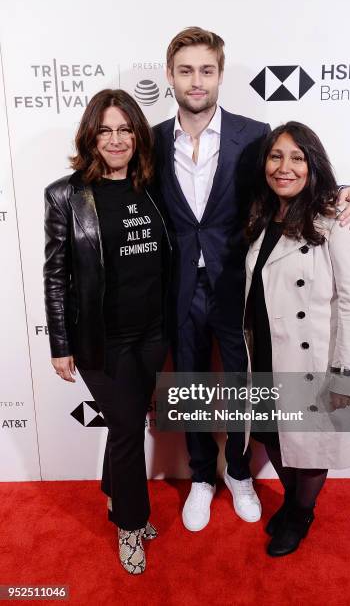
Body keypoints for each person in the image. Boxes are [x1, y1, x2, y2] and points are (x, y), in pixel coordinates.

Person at [154, 26, 350, 532]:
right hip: (179, 287)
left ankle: (239, 474)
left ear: (221, 74)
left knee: (242, 388)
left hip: (241, 286)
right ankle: (202, 477)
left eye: (207, 70)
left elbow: (292, 183)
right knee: (189, 386)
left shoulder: (255, 135)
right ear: (170, 76)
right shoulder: (152, 140)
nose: (197, 80)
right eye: (186, 70)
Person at [43, 89, 171, 574]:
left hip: (154, 333)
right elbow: (55, 273)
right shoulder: (66, 195)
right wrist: (60, 343)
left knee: (129, 422)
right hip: (102, 341)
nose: (116, 139)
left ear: (138, 134)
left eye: (125, 129)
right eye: (105, 130)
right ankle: (132, 526)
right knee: (124, 430)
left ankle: (116, 496)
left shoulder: (156, 185)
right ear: (91, 136)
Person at [244, 121, 350, 557]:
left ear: (313, 165)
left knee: (311, 442)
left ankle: (300, 513)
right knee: (273, 436)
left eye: (297, 157)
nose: (285, 167)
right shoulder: (261, 215)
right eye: (276, 156)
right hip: (264, 348)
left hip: (309, 358)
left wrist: (348, 375)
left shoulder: (336, 216)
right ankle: (295, 501)